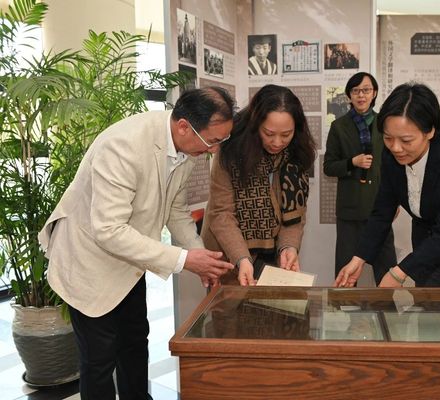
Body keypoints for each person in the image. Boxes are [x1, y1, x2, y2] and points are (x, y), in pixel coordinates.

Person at [38, 87, 236, 399]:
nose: (214, 150)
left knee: (134, 342)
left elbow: (175, 210)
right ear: (184, 126)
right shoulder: (124, 147)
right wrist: (184, 260)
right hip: (88, 260)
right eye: (212, 140)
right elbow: (108, 230)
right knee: (99, 358)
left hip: (130, 259)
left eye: (221, 141)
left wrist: (200, 256)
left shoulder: (188, 147)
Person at [335, 82, 440, 289]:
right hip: (426, 258)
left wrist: (398, 273)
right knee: (428, 309)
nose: (396, 148)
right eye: (388, 138)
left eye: (406, 140)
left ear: (430, 131)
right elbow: (382, 212)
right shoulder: (390, 157)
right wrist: (358, 259)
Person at [201, 84, 317, 285]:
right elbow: (221, 213)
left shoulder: (297, 154)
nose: (277, 142)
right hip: (229, 252)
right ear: (255, 125)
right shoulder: (231, 149)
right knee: (232, 302)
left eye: (286, 134)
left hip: (273, 252)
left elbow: (295, 211)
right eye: (269, 133)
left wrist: (288, 246)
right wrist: (241, 258)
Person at [324, 72, 396, 284]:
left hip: (380, 206)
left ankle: (387, 305)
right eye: (356, 91)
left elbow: (395, 165)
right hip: (350, 209)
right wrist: (351, 162)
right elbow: (328, 166)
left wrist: (396, 200)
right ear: (349, 95)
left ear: (374, 93)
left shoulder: (386, 124)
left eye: (366, 90)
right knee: (346, 271)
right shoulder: (339, 126)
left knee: (387, 269)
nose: (361, 95)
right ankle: (344, 305)